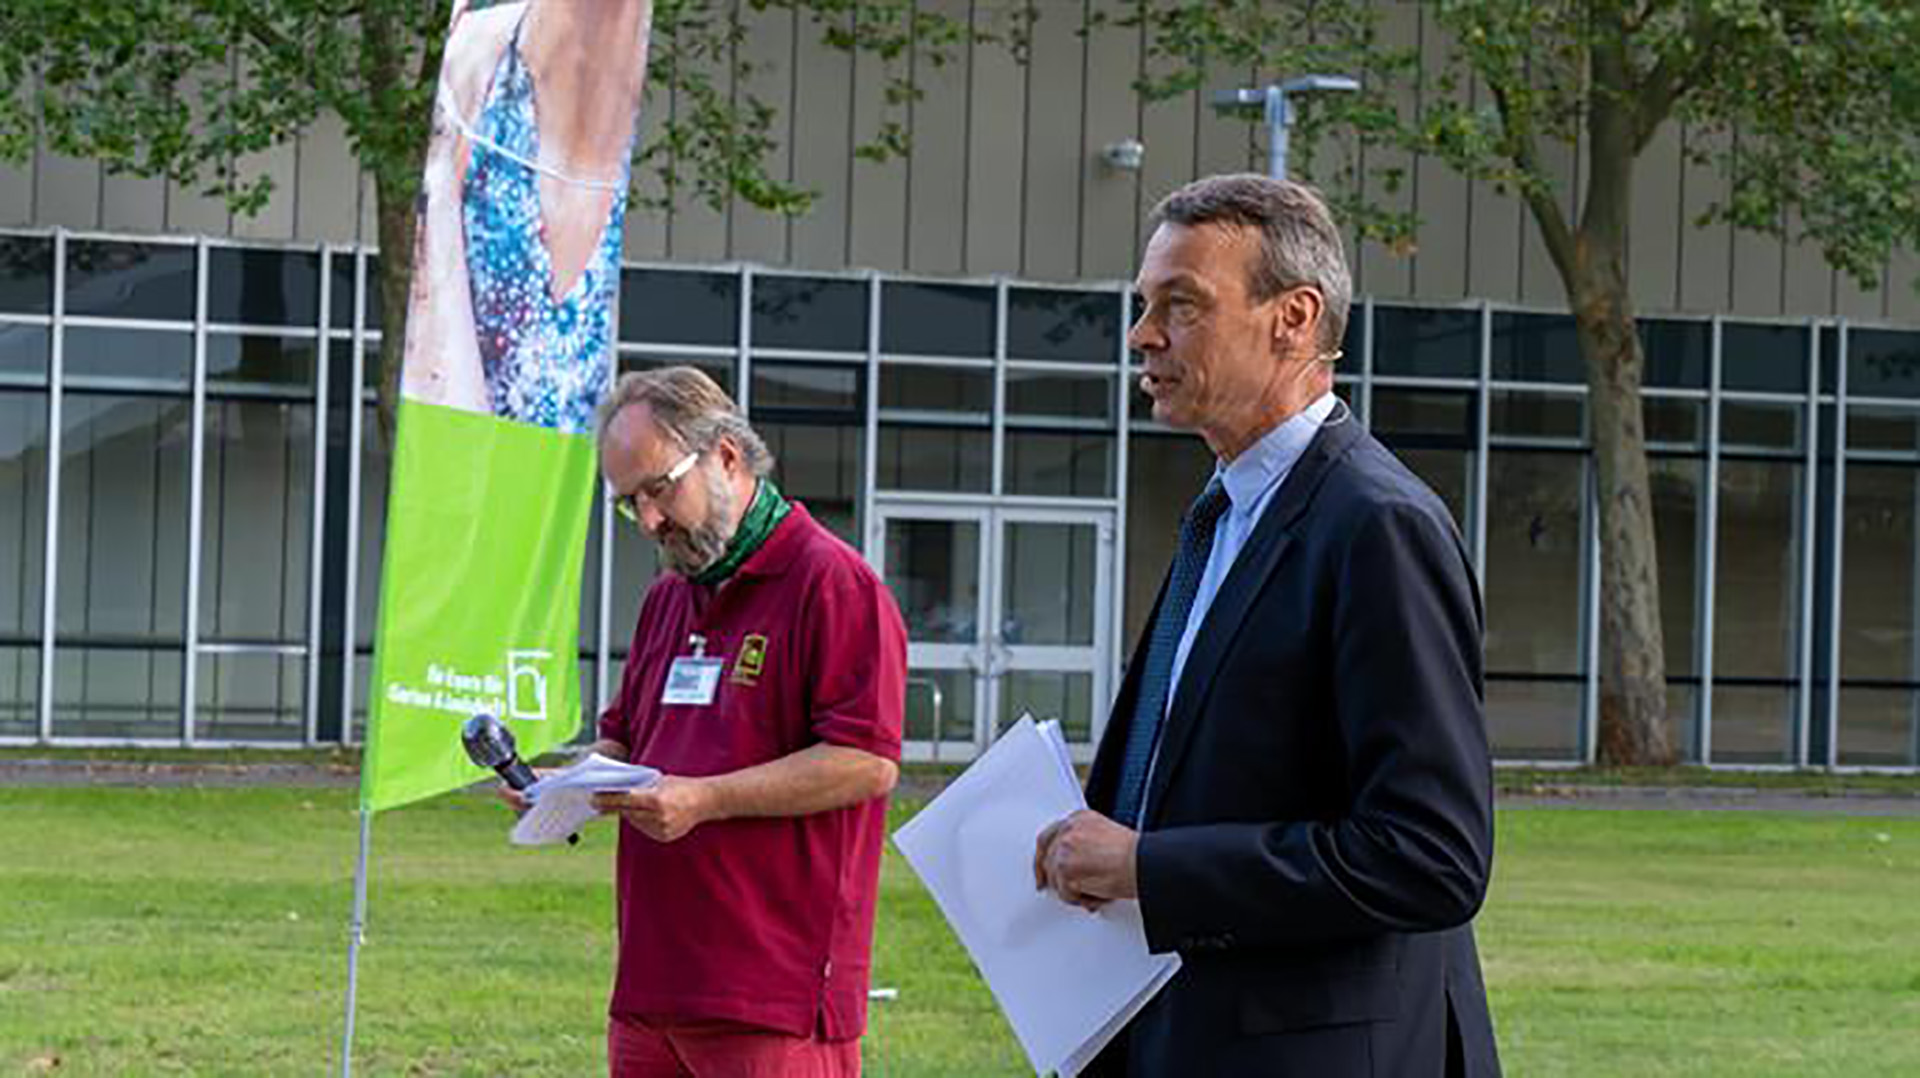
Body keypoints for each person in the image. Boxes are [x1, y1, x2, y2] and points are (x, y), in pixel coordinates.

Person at [1032, 175, 1502, 1077]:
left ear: (1294, 318)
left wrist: (1152, 869)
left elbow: (1431, 855)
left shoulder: (1376, 525)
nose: (1143, 335)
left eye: (1182, 305)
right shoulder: (1227, 513)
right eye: (1144, 306)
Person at [505, 366, 906, 1076]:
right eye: (630, 505)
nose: (650, 522)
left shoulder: (833, 584)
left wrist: (706, 798)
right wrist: (562, 787)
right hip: (653, 987)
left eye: (658, 490)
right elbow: (627, 738)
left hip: (771, 994)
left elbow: (865, 760)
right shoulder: (670, 598)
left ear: (726, 455)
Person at [402, 0, 652, 434]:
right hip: (464, 468)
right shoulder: (478, 62)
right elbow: (436, 357)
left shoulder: (626, 84)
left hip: (550, 481)